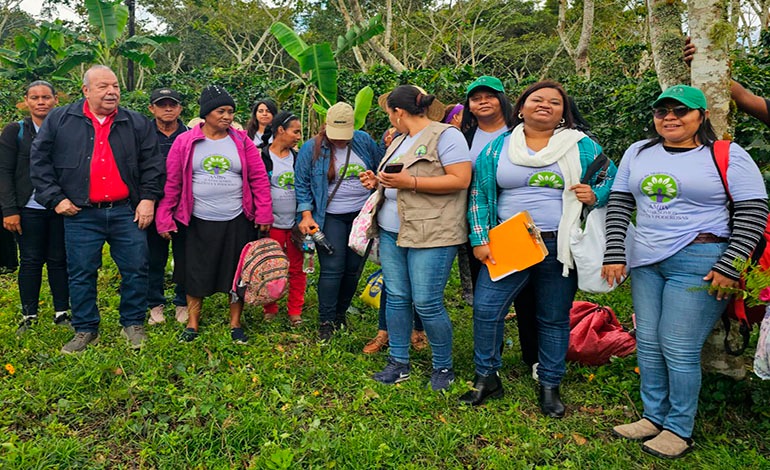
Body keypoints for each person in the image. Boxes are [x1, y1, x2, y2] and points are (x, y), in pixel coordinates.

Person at [602, 85, 768, 458]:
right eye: (662, 111)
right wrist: (615, 250)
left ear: (702, 116)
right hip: (645, 259)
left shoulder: (726, 154)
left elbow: (753, 212)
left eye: (681, 111)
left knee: (678, 346)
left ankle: (679, 428)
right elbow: (619, 202)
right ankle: (652, 415)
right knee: (648, 341)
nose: (670, 117)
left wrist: (731, 263)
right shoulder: (638, 152)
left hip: (702, 259)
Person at [460, 80, 616, 415]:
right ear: (520, 108)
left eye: (555, 102)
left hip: (558, 242)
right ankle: (486, 377)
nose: (545, 105)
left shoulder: (581, 146)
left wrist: (596, 195)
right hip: (511, 239)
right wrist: (479, 239)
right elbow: (479, 195)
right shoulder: (498, 148)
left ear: (564, 112)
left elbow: (612, 179)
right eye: (537, 99)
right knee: (487, 310)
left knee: (553, 317)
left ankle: (549, 384)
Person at [30, 65, 164, 353]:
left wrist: (148, 199)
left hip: (125, 211)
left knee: (135, 267)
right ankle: (86, 328)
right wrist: (55, 198)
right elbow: (39, 160)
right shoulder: (61, 119)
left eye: (114, 86)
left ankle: (132, 323)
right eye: (103, 86)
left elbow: (153, 163)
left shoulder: (135, 122)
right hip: (80, 213)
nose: (112, 91)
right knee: (81, 271)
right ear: (86, 90)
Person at [361, 85, 472, 391]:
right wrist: (377, 181)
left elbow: (460, 179)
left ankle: (443, 366)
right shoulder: (398, 140)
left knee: (427, 301)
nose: (391, 119)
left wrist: (409, 182)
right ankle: (398, 362)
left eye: (389, 113)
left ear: (398, 112)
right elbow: (393, 180)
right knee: (396, 297)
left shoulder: (446, 136)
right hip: (392, 229)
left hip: (433, 232)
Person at [156, 85, 273, 344]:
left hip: (236, 219)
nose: (228, 116)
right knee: (194, 271)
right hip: (195, 220)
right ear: (206, 113)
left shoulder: (242, 141)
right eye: (221, 110)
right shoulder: (185, 142)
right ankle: (193, 322)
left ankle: (235, 323)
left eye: (231, 111)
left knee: (236, 273)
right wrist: (164, 216)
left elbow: (258, 180)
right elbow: (172, 182)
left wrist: (264, 214)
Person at [295, 102, 384, 340]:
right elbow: (302, 184)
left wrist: (374, 179)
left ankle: (340, 314)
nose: (341, 141)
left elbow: (381, 169)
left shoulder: (364, 141)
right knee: (333, 269)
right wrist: (306, 213)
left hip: (361, 216)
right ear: (326, 127)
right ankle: (326, 320)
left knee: (353, 270)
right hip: (330, 215)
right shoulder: (311, 148)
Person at [0, 80, 70, 335]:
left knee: (59, 260)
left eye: (46, 97)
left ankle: (62, 312)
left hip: (59, 207)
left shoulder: (65, 130)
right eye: (35, 97)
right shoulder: (15, 131)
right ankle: (29, 314)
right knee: (30, 261)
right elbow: (4, 172)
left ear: (55, 100)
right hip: (27, 208)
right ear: (26, 102)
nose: (41, 102)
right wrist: (9, 209)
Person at [146, 87, 189, 325]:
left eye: (173, 104)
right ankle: (155, 303)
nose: (168, 109)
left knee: (184, 257)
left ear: (180, 108)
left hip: (183, 207)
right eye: (162, 105)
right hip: (152, 204)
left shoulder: (191, 135)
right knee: (154, 258)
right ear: (152, 109)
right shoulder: (143, 135)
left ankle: (182, 302)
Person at [259, 110, 306, 326]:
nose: (298, 136)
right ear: (280, 130)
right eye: (295, 131)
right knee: (271, 266)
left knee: (297, 268)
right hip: (271, 225)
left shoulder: (299, 158)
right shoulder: (262, 157)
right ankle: (270, 307)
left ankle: (295, 310)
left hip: (295, 225)